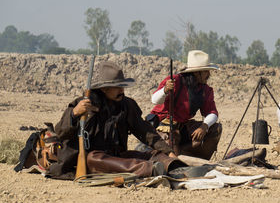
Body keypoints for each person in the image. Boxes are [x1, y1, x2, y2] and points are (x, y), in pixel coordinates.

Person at [48, 61, 185, 179]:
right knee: (93, 158)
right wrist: (74, 113)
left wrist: (168, 152)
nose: (122, 90)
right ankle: (150, 169)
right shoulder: (82, 105)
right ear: (105, 89)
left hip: (118, 157)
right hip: (94, 160)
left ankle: (172, 166)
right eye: (117, 87)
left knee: (151, 155)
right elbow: (60, 132)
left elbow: (145, 131)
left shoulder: (126, 105)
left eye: (122, 86)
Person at [150, 50, 222, 160]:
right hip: (165, 126)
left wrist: (204, 126)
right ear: (197, 73)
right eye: (206, 71)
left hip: (184, 126)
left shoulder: (205, 89)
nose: (209, 74)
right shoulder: (175, 81)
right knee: (172, 146)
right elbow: (155, 100)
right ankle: (175, 156)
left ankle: (189, 156)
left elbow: (212, 112)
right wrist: (165, 90)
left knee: (215, 129)